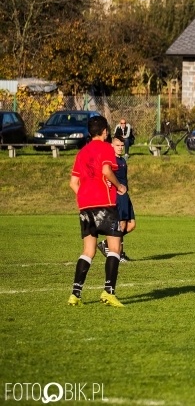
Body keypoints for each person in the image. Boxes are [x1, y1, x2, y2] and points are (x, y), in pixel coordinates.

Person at [67, 115, 127, 308]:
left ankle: (75, 294)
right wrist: (119, 187)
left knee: (88, 250)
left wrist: (86, 196)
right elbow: (106, 170)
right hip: (105, 203)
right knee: (115, 248)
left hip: (85, 205)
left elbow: (73, 183)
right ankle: (108, 291)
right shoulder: (106, 148)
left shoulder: (82, 152)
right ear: (105, 132)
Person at [98, 136, 136, 262]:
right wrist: (115, 188)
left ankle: (107, 243)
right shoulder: (111, 160)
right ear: (112, 146)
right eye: (117, 145)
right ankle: (119, 253)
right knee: (121, 224)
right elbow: (105, 174)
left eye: (121, 145)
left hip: (125, 195)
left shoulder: (122, 160)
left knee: (131, 225)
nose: (120, 148)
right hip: (117, 195)